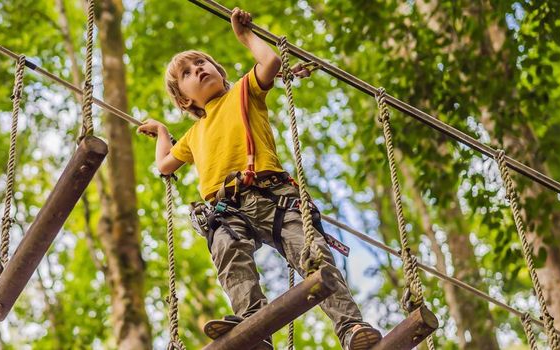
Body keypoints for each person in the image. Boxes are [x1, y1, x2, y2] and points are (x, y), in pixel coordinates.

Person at [136, 8, 382, 350]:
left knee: (313, 255)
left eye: (204, 64)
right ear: (184, 99)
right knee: (228, 254)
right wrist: (163, 130)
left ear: (221, 74)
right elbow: (164, 164)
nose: (199, 70)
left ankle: (351, 327)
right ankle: (253, 325)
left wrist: (245, 36)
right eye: (189, 73)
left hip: (273, 196)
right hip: (226, 210)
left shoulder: (242, 93)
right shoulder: (192, 135)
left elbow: (270, 64)